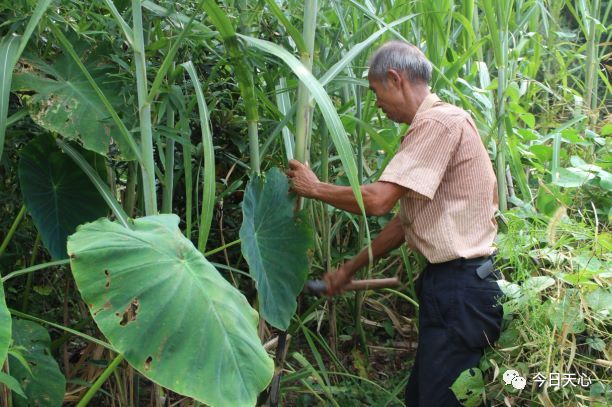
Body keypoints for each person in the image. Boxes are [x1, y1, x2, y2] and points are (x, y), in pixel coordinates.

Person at [286, 40, 504, 406]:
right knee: (422, 397)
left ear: (394, 78)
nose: (376, 102)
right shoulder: (431, 128)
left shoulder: (439, 123)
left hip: (462, 289)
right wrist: (348, 271)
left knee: (439, 401)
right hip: (453, 287)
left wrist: (316, 188)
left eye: (375, 91)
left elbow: (379, 201)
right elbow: (404, 224)